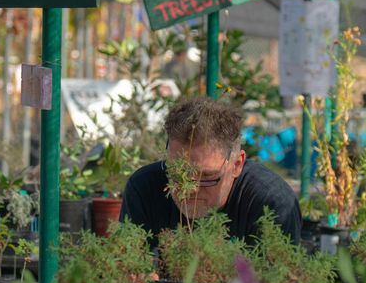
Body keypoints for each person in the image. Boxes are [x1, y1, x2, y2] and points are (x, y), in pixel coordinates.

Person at [120, 96, 302, 245]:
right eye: (178, 172)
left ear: (237, 164)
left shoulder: (270, 202)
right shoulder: (144, 188)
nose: (189, 188)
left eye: (207, 176)